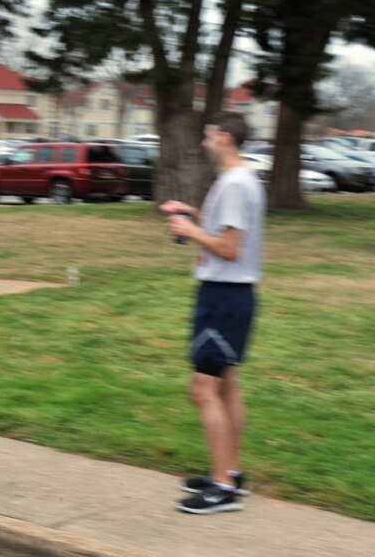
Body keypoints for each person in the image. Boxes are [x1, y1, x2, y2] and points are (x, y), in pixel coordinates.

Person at [160, 111, 265, 515]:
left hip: (223, 296)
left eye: (207, 136)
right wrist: (194, 215)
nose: (204, 143)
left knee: (202, 390)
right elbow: (224, 232)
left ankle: (222, 487)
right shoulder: (239, 180)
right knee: (226, 387)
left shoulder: (236, 183)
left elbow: (229, 248)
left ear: (223, 137)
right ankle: (231, 473)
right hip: (231, 295)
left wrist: (188, 231)